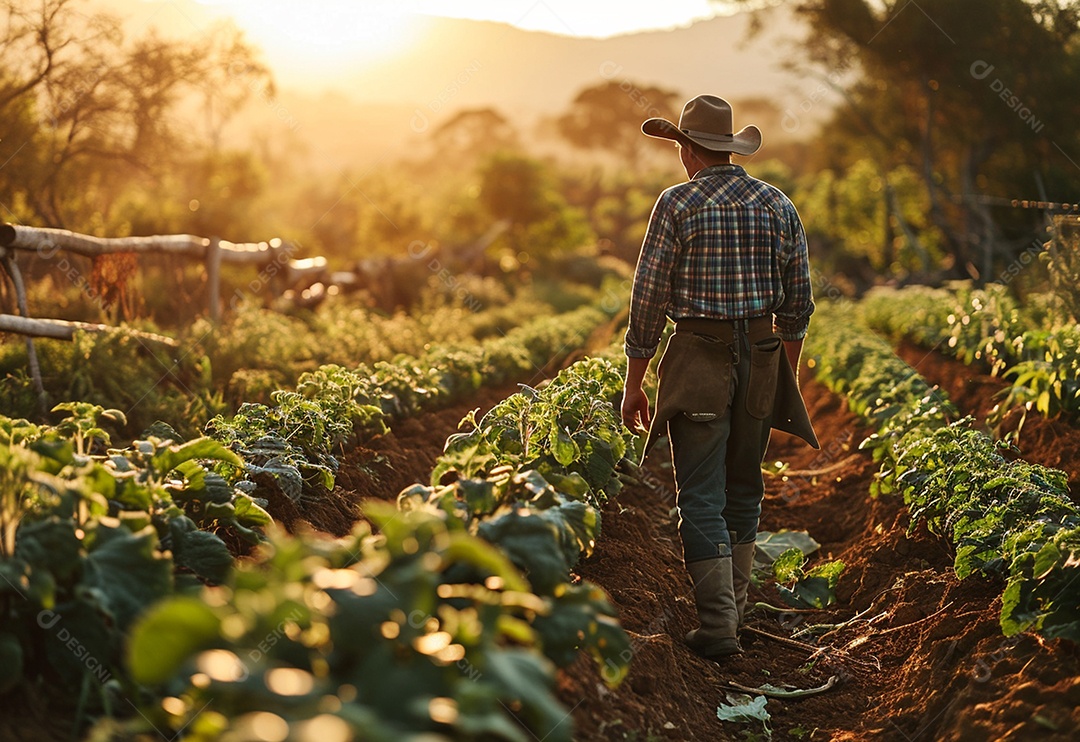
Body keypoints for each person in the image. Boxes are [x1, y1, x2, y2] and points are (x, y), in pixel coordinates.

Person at [621, 94, 819, 662]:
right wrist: (786, 372)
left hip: (698, 357)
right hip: (761, 356)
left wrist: (635, 382)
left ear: (686, 149)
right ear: (729, 148)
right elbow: (799, 303)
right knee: (744, 489)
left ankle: (718, 625)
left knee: (699, 496)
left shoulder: (676, 204)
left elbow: (648, 300)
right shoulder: (777, 204)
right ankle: (732, 609)